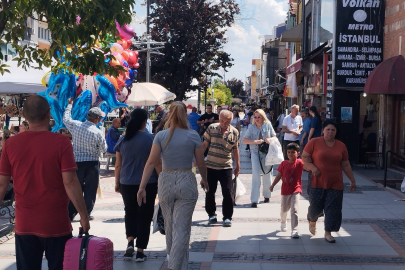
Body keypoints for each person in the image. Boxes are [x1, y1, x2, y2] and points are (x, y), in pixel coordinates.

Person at [0, 95, 89, 270]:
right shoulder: (62, 143)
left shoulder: (11, 145)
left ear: (24, 115)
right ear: (49, 113)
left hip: (25, 223)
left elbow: (2, 184)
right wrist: (83, 216)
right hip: (56, 223)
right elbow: (70, 182)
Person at [137, 101, 208, 270]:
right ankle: (175, 266)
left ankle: (177, 264)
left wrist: (142, 187)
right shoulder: (193, 135)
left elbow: (150, 162)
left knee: (170, 227)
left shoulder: (161, 135)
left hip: (166, 180)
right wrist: (205, 180)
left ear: (169, 114)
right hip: (186, 179)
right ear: (185, 115)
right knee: (182, 228)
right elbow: (201, 163)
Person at [114, 108, 161, 261]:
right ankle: (140, 250)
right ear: (144, 122)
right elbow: (156, 163)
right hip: (148, 183)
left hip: (126, 182)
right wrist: (161, 179)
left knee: (130, 212)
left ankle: (130, 242)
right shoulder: (151, 139)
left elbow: (118, 165)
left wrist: (116, 183)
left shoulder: (123, 138)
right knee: (145, 216)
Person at [302, 120, 356, 243]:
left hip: (335, 181)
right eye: (328, 129)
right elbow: (304, 157)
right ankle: (312, 220)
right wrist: (313, 168)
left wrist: (352, 180)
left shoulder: (341, 146)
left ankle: (328, 232)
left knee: (333, 208)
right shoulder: (314, 142)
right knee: (315, 206)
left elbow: (346, 164)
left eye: (333, 130)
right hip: (317, 180)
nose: (330, 132)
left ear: (336, 132)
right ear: (323, 130)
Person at [63, 98, 107, 221]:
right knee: (90, 189)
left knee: (75, 188)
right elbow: (104, 149)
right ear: (97, 119)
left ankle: (70, 212)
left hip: (77, 162)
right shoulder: (98, 132)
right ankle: (86, 213)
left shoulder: (76, 126)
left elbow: (65, 119)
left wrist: (69, 106)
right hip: (92, 163)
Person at [201, 110, 240, 226]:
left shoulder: (234, 132)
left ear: (230, 121)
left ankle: (227, 217)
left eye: (227, 121)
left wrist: (238, 165)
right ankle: (211, 214)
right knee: (210, 191)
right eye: (222, 120)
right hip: (211, 166)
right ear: (219, 118)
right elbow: (204, 145)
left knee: (228, 192)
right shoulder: (212, 128)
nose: (224, 123)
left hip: (226, 166)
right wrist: (197, 159)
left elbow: (235, 149)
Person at [242, 109, 277, 207]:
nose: (257, 119)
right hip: (255, 152)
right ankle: (254, 200)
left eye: (259, 117)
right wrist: (255, 141)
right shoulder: (251, 127)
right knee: (256, 174)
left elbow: (275, 136)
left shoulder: (268, 125)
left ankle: (267, 195)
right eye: (255, 117)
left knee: (267, 173)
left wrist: (269, 139)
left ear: (262, 117)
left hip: (267, 152)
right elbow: (244, 140)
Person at [269, 143, 304, 238]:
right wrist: (272, 185)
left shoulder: (300, 163)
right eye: (289, 152)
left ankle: (294, 230)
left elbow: (307, 164)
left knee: (295, 209)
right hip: (285, 190)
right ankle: (283, 221)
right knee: (284, 210)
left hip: (296, 189)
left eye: (293, 152)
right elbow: (279, 175)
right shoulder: (283, 164)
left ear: (298, 153)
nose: (291, 154)